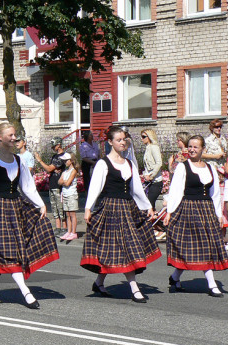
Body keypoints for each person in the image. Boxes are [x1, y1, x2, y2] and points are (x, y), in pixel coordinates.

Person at [0, 123, 59, 309]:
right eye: (10, 135)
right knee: (7, 251)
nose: (14, 138)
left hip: (15, 208)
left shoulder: (18, 160)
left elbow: (27, 186)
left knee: (9, 249)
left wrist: (40, 204)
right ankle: (26, 292)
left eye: (15, 135)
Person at [82, 125, 160, 303]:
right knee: (121, 248)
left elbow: (137, 189)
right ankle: (134, 288)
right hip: (110, 209)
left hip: (128, 208)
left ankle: (99, 282)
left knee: (121, 248)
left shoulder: (130, 164)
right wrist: (88, 208)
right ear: (110, 142)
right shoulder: (103, 163)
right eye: (118, 140)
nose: (122, 142)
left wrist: (147, 206)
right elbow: (95, 187)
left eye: (124, 139)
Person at [164, 135, 228, 297]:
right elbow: (176, 191)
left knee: (205, 246)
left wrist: (219, 215)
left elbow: (215, 194)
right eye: (190, 146)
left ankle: (175, 277)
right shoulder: (182, 167)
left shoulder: (209, 168)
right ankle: (212, 284)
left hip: (206, 211)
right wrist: (169, 212)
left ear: (203, 149)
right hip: (189, 210)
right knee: (193, 247)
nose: (191, 149)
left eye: (195, 147)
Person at [34, 137, 66, 237]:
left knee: (61, 208)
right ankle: (57, 228)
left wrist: (39, 160)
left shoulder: (63, 156)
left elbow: (49, 168)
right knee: (54, 207)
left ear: (59, 145)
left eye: (54, 145)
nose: (52, 147)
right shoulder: (54, 156)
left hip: (58, 186)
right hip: (52, 185)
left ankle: (64, 228)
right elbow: (51, 169)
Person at [58, 153, 79, 240]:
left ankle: (73, 232)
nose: (65, 162)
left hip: (71, 194)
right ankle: (69, 231)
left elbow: (67, 182)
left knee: (72, 214)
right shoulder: (65, 172)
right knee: (67, 214)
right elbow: (59, 182)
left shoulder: (73, 170)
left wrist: (64, 181)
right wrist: (64, 181)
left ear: (71, 161)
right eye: (64, 161)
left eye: (67, 160)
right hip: (65, 194)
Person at [141, 129, 163, 209]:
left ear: (149, 137)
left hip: (156, 182)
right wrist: (144, 174)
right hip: (149, 182)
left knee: (150, 203)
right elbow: (147, 167)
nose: (141, 139)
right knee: (149, 205)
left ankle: (152, 220)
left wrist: (151, 176)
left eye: (143, 137)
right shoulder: (147, 148)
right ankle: (151, 219)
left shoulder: (154, 147)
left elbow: (159, 163)